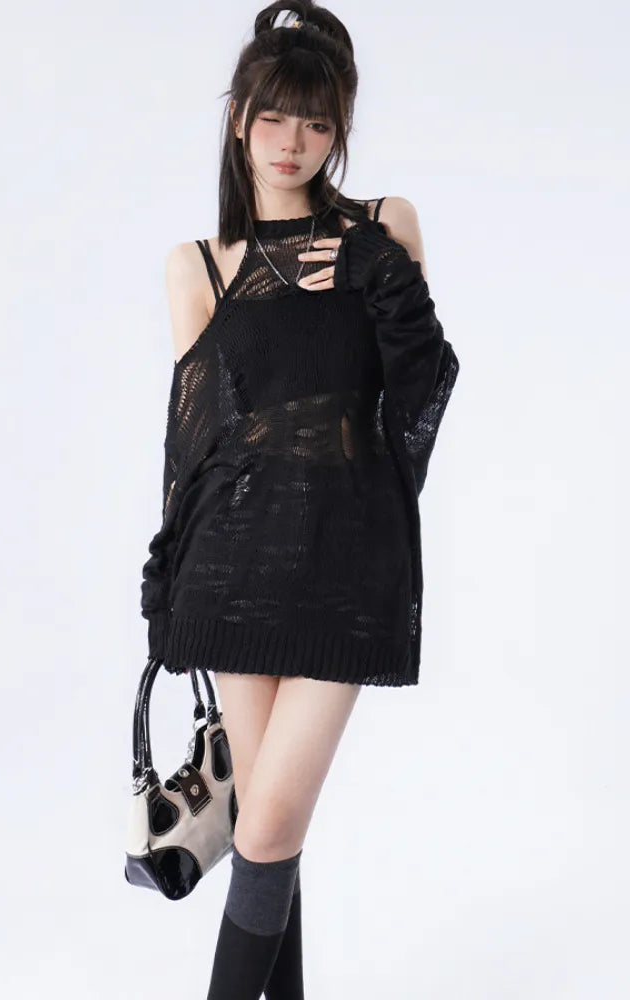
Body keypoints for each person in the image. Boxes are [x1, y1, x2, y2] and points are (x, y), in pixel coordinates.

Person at [140, 2, 460, 996]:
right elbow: (197, 449)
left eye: (317, 124)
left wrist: (375, 271)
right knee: (272, 830)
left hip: (349, 561)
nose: (292, 143)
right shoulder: (199, 266)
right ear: (239, 118)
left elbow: (423, 385)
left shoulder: (382, 227)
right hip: (234, 570)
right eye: (274, 118)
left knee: (271, 820)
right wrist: (165, 586)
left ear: (339, 132)